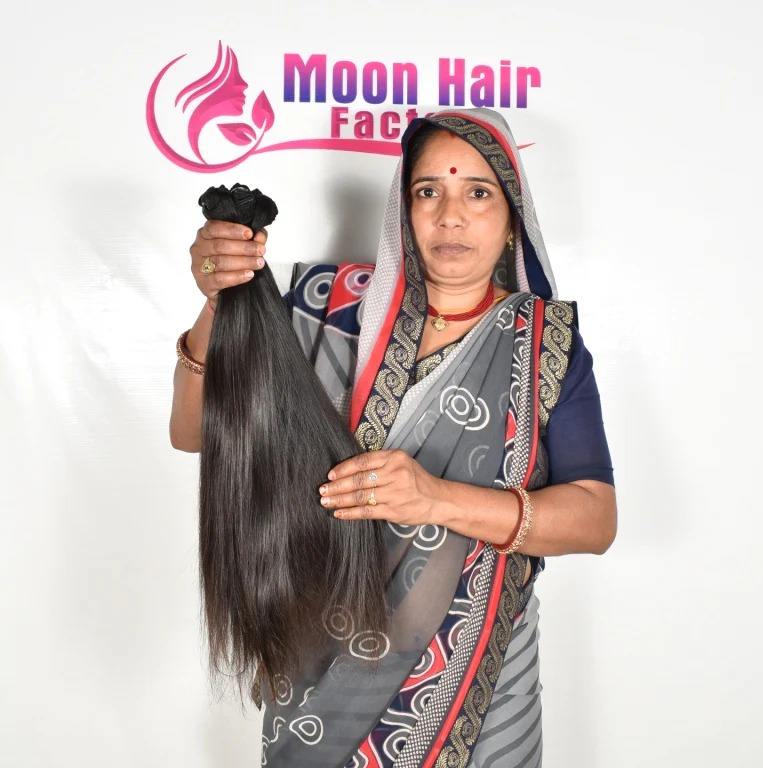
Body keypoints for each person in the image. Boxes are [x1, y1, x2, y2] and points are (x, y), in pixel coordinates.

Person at [170, 106, 617, 767]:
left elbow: (594, 520)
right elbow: (193, 432)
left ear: (512, 216)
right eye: (428, 190)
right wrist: (219, 301)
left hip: (476, 689)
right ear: (404, 208)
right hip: (321, 684)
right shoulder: (324, 307)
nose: (450, 216)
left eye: (478, 193)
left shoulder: (544, 345)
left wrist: (434, 498)